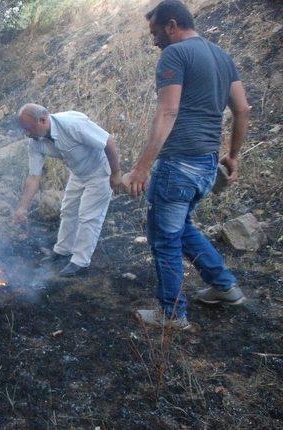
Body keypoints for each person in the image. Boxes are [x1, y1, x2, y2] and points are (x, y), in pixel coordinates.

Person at [122, 0, 250, 329]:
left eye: (155, 33)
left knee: (164, 238)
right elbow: (242, 109)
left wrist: (141, 167)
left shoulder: (175, 54)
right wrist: (232, 156)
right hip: (206, 165)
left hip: (178, 164)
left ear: (172, 25)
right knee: (182, 229)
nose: (153, 41)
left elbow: (168, 111)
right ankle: (225, 286)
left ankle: (172, 314)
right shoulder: (221, 56)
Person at [14, 103, 122, 277]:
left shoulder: (72, 125)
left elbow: (108, 141)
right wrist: (22, 207)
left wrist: (116, 174)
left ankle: (80, 261)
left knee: (89, 216)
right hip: (78, 173)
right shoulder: (35, 142)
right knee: (68, 210)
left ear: (42, 120)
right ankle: (63, 250)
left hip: (99, 171)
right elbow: (34, 176)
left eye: (28, 128)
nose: (26, 133)